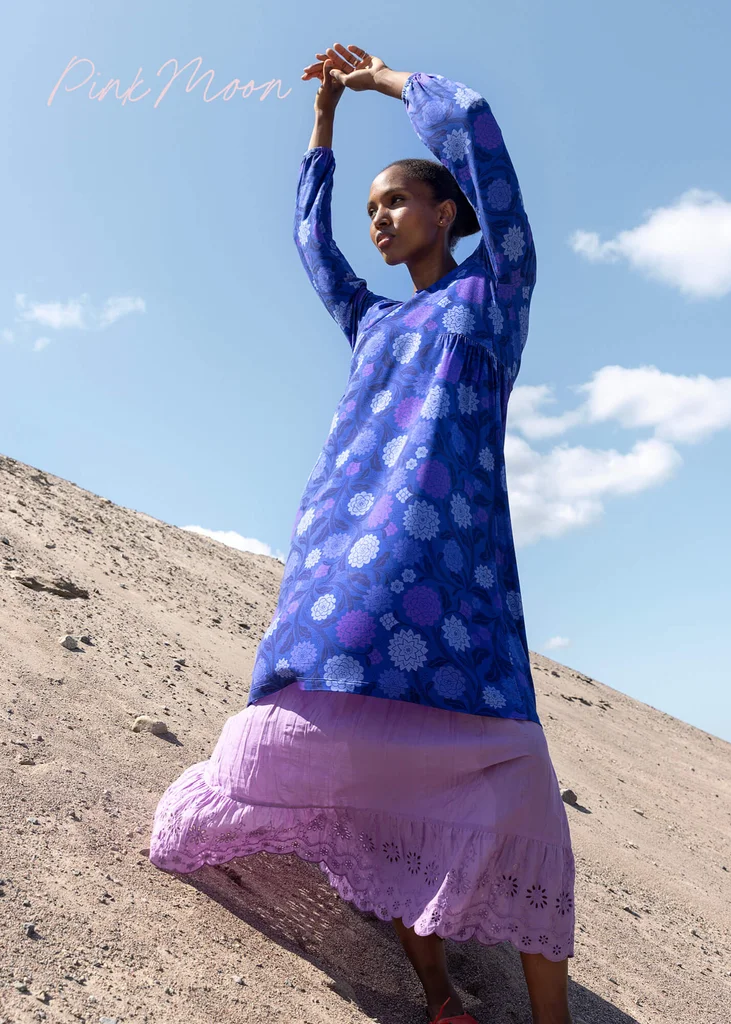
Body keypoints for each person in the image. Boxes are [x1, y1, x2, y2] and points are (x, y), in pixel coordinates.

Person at [149, 43, 575, 1024]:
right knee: (357, 791)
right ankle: (440, 996)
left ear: (448, 212)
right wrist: (323, 123)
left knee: (521, 787)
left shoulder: (496, 293)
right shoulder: (371, 321)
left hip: (463, 592)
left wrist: (379, 79)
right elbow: (312, 242)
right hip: (345, 577)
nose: (378, 218)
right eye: (371, 206)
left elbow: (474, 124)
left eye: (396, 202)